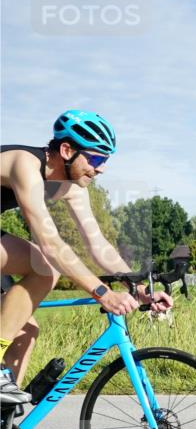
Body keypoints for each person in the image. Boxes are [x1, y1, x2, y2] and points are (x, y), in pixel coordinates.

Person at [1, 110, 173, 404]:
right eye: (95, 159)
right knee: (45, 268)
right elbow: (51, 242)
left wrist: (140, 288)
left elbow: (98, 244)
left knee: (25, 330)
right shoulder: (25, 166)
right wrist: (102, 293)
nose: (102, 168)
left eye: (105, 160)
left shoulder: (72, 187)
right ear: (66, 150)